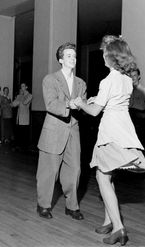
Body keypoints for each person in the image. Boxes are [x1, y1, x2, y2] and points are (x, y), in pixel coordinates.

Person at [73, 35, 145, 246]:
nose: (103, 58)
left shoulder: (108, 80)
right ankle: (109, 221)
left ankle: (118, 227)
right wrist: (96, 101)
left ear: (112, 57)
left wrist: (81, 103)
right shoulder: (126, 79)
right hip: (124, 129)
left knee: (101, 176)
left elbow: (95, 111)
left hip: (110, 131)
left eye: (105, 54)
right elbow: (113, 102)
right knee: (107, 176)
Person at [36, 42, 87, 220]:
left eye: (74, 56)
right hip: (53, 131)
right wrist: (69, 104)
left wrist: (88, 104)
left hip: (73, 130)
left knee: (75, 170)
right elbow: (50, 104)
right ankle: (43, 205)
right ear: (60, 59)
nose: (73, 59)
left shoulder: (81, 83)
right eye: (68, 56)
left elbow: (83, 106)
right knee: (48, 171)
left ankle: (72, 206)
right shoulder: (50, 79)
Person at [12, 83, 32, 151]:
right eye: (21, 86)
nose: (22, 87)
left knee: (25, 133)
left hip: (25, 117)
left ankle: (25, 147)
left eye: (23, 86)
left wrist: (19, 97)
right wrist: (18, 97)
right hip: (19, 117)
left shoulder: (29, 95)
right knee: (19, 132)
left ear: (26, 87)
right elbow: (13, 104)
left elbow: (25, 102)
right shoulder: (20, 96)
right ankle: (19, 146)